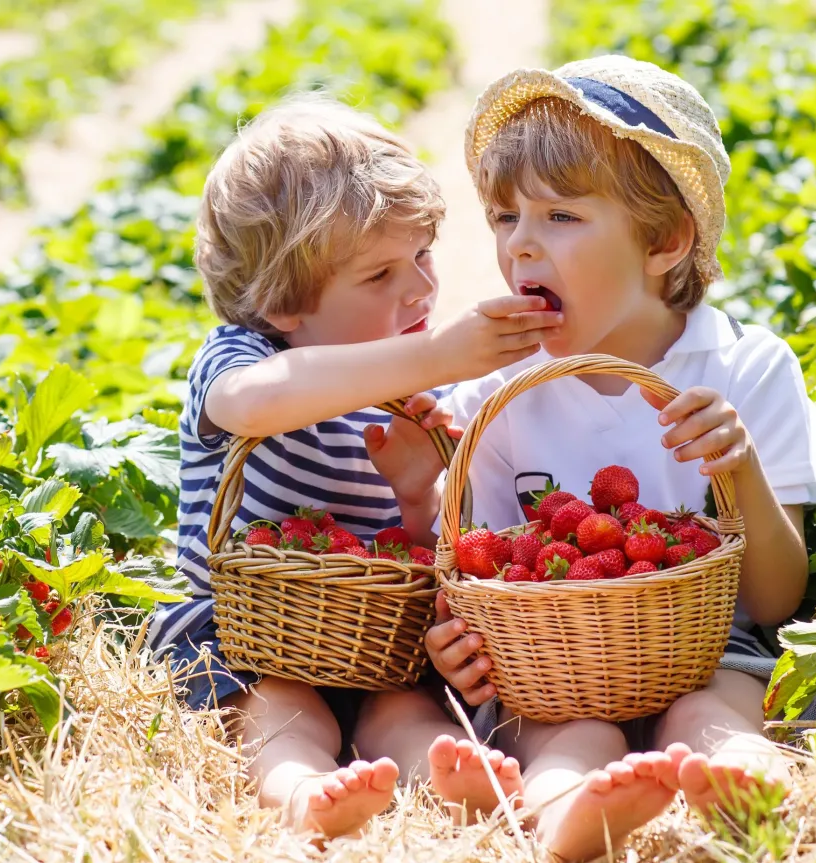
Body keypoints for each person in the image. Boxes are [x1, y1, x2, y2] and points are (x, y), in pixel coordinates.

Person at [405, 56, 816, 860]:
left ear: (666, 240)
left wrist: (738, 466)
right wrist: (457, 636)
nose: (522, 248)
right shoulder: (498, 398)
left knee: (713, 711)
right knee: (564, 733)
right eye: (506, 219)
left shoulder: (747, 372)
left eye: (561, 217)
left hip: (710, 649)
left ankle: (745, 784)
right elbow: (488, 579)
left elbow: (777, 599)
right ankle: (563, 811)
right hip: (556, 670)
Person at [146, 97, 556, 840]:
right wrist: (433, 356)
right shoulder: (243, 358)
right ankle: (302, 789)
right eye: (378, 276)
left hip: (369, 646)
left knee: (404, 710)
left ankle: (447, 776)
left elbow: (414, 550)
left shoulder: (407, 394)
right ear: (283, 302)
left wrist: (414, 494)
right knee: (279, 708)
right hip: (249, 636)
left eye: (424, 255)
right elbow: (252, 404)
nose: (422, 290)